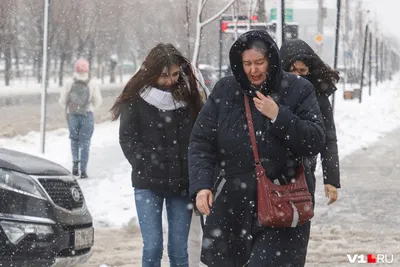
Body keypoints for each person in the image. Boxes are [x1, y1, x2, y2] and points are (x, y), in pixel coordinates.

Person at [188, 30, 326, 267]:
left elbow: (315, 139)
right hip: (231, 205)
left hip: (281, 201)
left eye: (259, 63)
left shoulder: (299, 89)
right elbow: (201, 142)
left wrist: (279, 116)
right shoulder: (225, 90)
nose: (253, 70)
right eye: (247, 64)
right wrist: (202, 186)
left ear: (272, 59)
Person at [110, 43, 207, 267]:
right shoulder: (135, 99)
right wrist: (145, 163)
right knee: (152, 248)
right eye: (164, 75)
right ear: (152, 72)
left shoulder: (189, 98)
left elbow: (200, 137)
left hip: (182, 184)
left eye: (174, 74)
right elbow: (128, 139)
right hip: (147, 183)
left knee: (178, 251)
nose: (170, 80)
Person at [280, 39, 341, 204]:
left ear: (309, 71)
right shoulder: (270, 95)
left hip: (303, 174)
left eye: (302, 70)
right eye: (291, 70)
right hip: (269, 176)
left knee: (301, 220)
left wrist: (331, 180)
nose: (297, 76)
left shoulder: (318, 98)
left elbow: (328, 138)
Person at [59, 58, 102, 178]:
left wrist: (72, 107)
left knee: (74, 139)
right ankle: (83, 169)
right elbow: (97, 101)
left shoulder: (69, 82)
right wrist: (88, 106)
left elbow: (63, 100)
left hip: (72, 114)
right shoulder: (92, 82)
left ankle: (75, 163)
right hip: (87, 114)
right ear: (87, 70)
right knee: (85, 142)